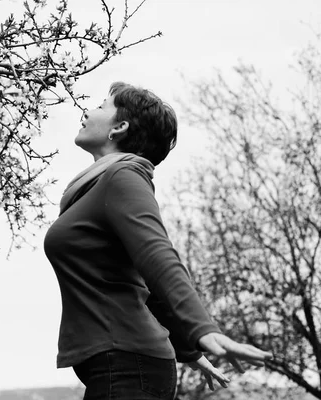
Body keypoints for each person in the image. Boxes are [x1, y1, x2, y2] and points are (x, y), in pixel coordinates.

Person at [43, 82, 272, 400]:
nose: (86, 110)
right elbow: (139, 282)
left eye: (101, 106)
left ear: (119, 127)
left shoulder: (123, 178)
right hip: (122, 366)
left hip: (127, 369)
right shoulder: (95, 188)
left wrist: (202, 329)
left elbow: (156, 253)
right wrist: (187, 348)